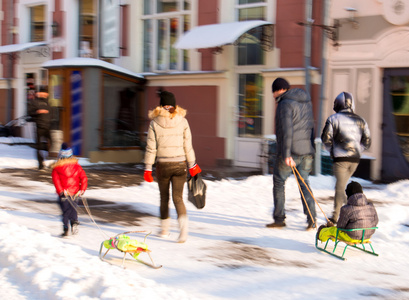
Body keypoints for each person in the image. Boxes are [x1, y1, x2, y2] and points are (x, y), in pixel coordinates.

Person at [143, 90, 201, 243]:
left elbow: (151, 147)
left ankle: (164, 230)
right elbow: (188, 145)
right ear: (175, 105)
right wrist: (192, 164)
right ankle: (183, 232)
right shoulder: (183, 121)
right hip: (180, 165)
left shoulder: (154, 123)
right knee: (178, 198)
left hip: (163, 165)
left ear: (161, 106)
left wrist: (148, 167)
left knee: (164, 198)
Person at [266, 77, 317, 230]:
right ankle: (312, 220)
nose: (273, 96)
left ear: (278, 90)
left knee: (279, 182)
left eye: (273, 92)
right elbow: (311, 127)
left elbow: (287, 131)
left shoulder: (284, 104)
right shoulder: (306, 103)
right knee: (304, 184)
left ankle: (279, 219)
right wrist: (311, 149)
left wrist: (287, 154)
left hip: (291, 152)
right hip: (307, 151)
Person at [321, 92, 371, 225]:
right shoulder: (361, 120)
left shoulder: (333, 119)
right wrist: (357, 150)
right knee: (342, 186)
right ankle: (351, 214)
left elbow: (325, 138)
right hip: (355, 160)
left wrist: (332, 150)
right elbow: (367, 141)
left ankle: (336, 217)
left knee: (339, 187)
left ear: (337, 104)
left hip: (340, 159)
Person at [51, 143, 88, 237]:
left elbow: (56, 181)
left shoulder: (56, 168)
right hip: (75, 193)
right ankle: (74, 223)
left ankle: (66, 228)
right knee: (73, 209)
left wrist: (61, 191)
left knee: (65, 211)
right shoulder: (77, 166)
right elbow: (83, 178)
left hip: (64, 193)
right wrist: (82, 189)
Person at [28, 85, 51, 170]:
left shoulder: (48, 102)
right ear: (39, 93)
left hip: (48, 126)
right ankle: (40, 163)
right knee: (38, 145)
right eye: (42, 93)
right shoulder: (34, 102)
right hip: (39, 126)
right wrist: (37, 112)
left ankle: (46, 158)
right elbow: (29, 112)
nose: (44, 94)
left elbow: (51, 112)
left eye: (45, 93)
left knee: (51, 143)